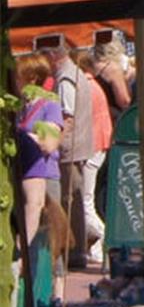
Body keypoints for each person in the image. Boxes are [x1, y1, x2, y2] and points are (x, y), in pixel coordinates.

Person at [50, 36, 104, 267]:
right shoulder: (75, 73)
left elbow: (67, 117)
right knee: (76, 200)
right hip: (81, 146)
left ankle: (73, 252)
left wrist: (54, 142)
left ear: (52, 55)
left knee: (70, 201)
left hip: (70, 149)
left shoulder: (65, 78)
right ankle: (77, 251)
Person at [13, 51, 64, 271]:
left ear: (31, 77)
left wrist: (25, 138)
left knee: (49, 242)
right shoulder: (19, 106)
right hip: (24, 173)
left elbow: (50, 142)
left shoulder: (50, 105)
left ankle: (55, 295)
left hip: (46, 175)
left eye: (18, 75)